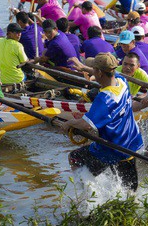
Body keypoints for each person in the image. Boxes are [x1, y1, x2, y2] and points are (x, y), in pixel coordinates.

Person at [60, 53, 143, 190]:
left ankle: (86, 192)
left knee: (74, 157)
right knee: (129, 191)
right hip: (131, 143)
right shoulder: (122, 82)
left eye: (94, 70)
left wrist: (68, 124)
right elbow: (102, 72)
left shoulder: (104, 99)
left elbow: (86, 124)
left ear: (98, 72)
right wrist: (83, 68)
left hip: (112, 148)